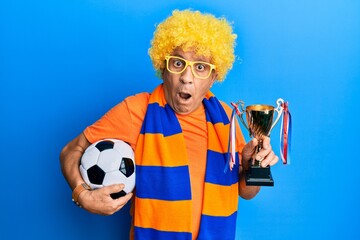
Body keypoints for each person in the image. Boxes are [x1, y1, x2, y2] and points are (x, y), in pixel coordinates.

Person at [60, 9, 279, 240]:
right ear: (163, 68)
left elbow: (247, 193)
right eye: (178, 63)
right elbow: (70, 150)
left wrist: (252, 165)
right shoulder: (137, 110)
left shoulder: (227, 118)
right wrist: (82, 194)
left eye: (201, 67)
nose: (187, 77)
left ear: (214, 77)